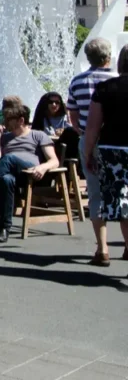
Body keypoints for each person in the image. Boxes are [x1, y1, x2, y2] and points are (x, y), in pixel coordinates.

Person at [0, 105, 60, 242]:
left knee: (10, 157)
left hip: (31, 173)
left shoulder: (38, 135)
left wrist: (43, 168)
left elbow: (54, 161)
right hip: (12, 174)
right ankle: (4, 228)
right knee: (6, 180)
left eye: (8, 119)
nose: (5, 122)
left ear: (21, 120)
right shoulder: (5, 137)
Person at [67, 37, 117, 265]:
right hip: (117, 142)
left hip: (89, 141)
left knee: (95, 194)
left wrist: (82, 132)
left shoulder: (77, 81)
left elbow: (73, 115)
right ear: (108, 56)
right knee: (123, 192)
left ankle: (102, 248)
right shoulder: (117, 80)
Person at [82, 44, 128, 266]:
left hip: (113, 151)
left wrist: (88, 152)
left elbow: (92, 127)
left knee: (123, 203)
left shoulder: (105, 88)